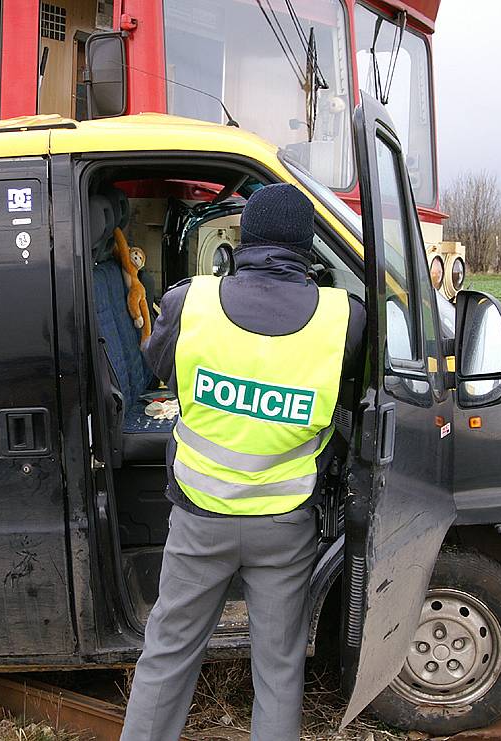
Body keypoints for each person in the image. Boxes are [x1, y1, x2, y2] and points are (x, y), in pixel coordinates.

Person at [120, 183, 366, 741]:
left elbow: (160, 367)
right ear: (309, 248)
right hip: (286, 525)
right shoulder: (343, 320)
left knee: (167, 654)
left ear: (240, 240)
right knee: (278, 671)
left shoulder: (190, 303)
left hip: (200, 518)